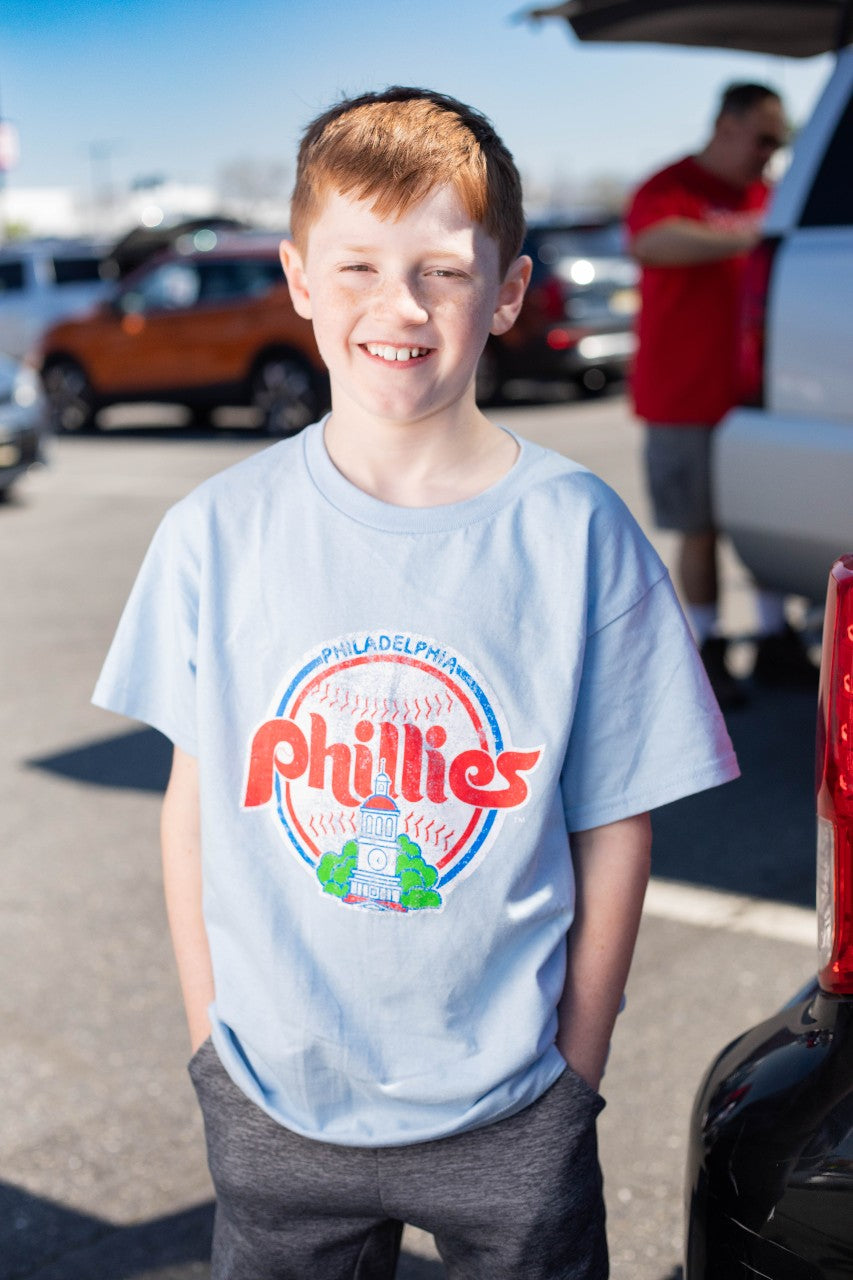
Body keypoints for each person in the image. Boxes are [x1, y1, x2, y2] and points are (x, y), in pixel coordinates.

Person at [93, 87, 739, 1280]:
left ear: (504, 292)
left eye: (442, 270)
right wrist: (209, 1050)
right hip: (273, 1100)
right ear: (295, 275)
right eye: (356, 265)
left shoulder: (578, 533)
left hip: (510, 1111)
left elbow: (614, 823)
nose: (397, 305)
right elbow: (195, 802)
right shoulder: (214, 531)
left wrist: (572, 1077)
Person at [626, 82, 816, 707]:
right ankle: (705, 650)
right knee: (699, 529)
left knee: (771, 519)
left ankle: (770, 633)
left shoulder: (769, 194)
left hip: (757, 397)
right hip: (683, 396)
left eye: (779, 142)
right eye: (763, 138)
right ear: (726, 125)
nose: (770, 152)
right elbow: (651, 243)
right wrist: (755, 235)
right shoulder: (671, 187)